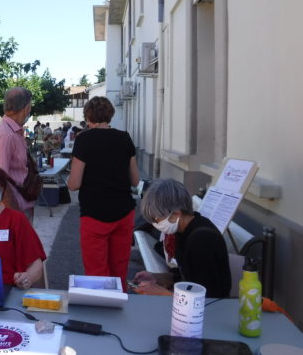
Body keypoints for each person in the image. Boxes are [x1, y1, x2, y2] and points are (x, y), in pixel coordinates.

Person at [67, 96, 139, 290]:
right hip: (123, 212)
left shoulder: (84, 140)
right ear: (110, 115)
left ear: (88, 117)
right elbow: (135, 180)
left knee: (97, 273)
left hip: (94, 214)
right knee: (119, 270)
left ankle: (102, 315)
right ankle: (119, 312)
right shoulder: (125, 138)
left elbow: (74, 184)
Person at [134, 178, 232, 298]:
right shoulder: (183, 230)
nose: (154, 224)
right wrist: (155, 277)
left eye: (155, 219)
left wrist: (159, 292)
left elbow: (207, 297)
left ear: (176, 214)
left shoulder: (201, 240)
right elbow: (183, 275)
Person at [0, 87, 36, 220]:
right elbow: (0, 181)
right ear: (26, 107)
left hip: (19, 206)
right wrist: (16, 218)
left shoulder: (12, 131)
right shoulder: (5, 135)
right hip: (13, 212)